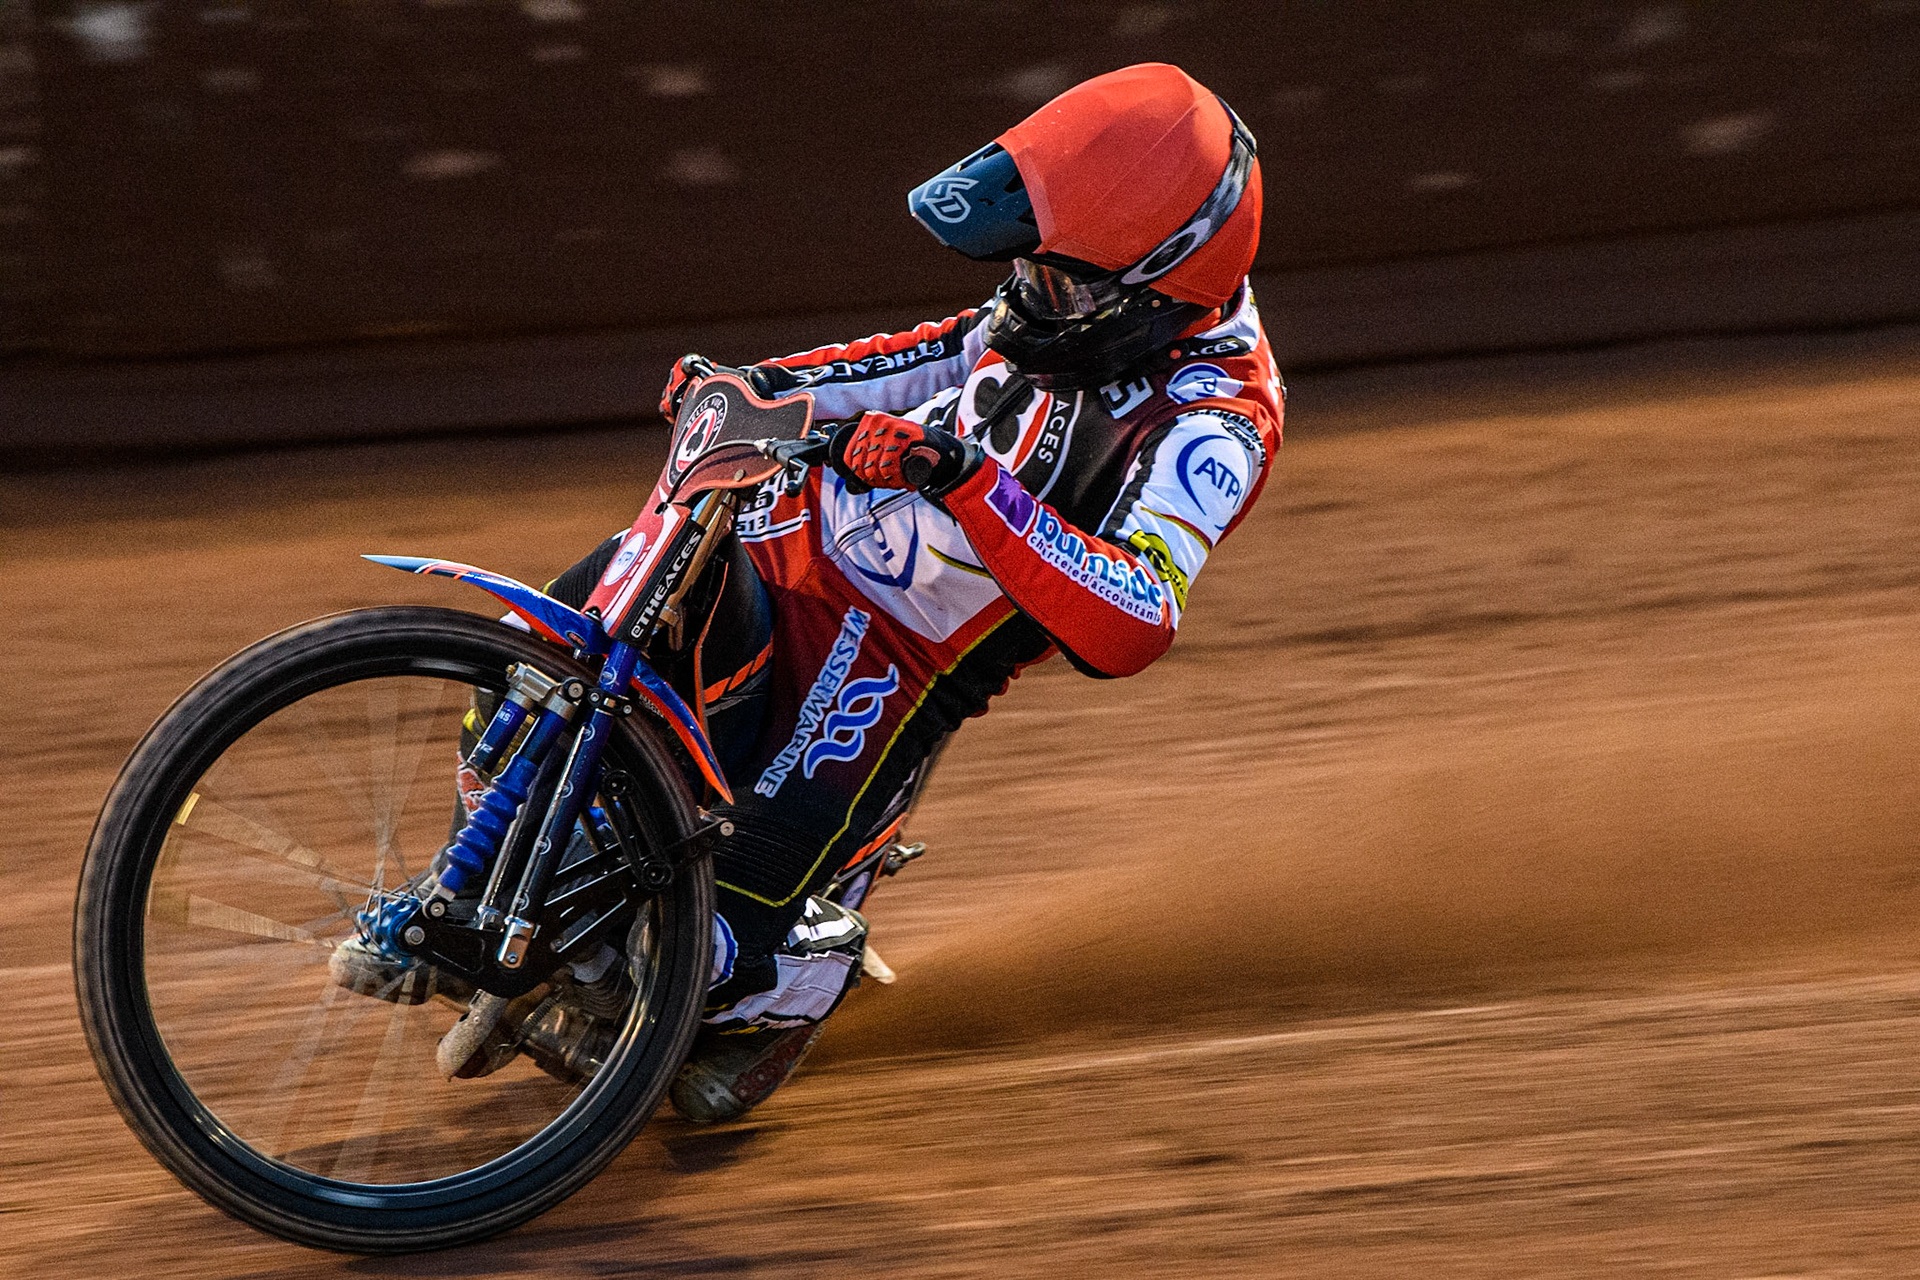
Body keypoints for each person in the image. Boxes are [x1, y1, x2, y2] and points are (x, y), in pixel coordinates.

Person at [341, 62, 1284, 1123]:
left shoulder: (1216, 422)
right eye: (1026, 264)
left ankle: (787, 986)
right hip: (774, 552)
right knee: (529, 677)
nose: (1025, 292)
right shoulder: (1061, 301)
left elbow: (1137, 617)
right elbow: (919, 356)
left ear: (1152, 289)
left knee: (705, 954)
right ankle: (514, 903)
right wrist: (754, 388)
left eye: (1055, 278)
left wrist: (969, 483)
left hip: (891, 671)